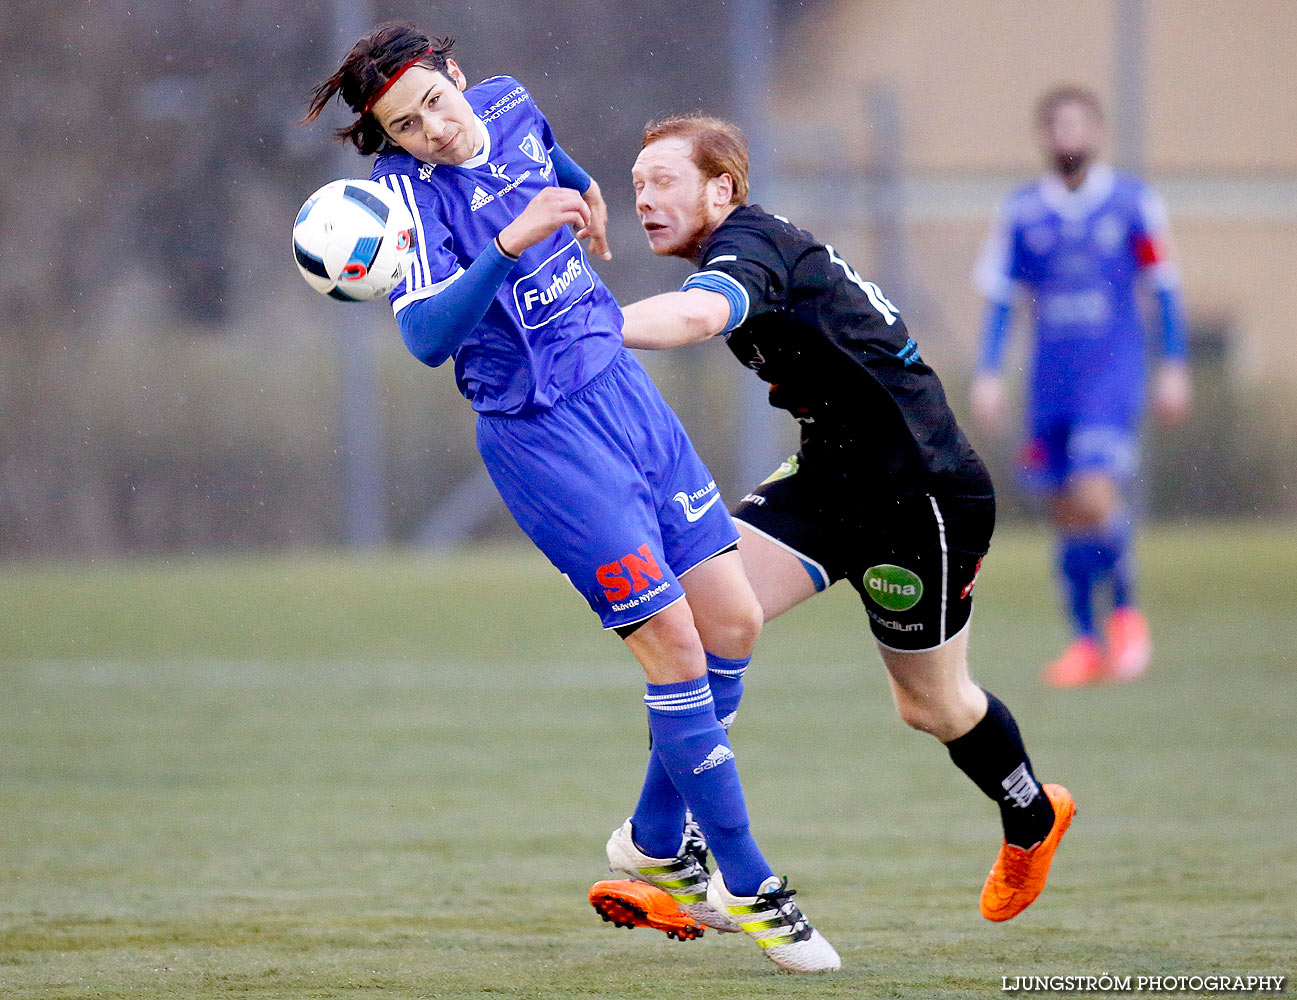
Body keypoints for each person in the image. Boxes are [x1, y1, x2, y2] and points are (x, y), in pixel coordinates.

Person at [303, 24, 839, 973]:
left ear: (457, 76)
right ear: (387, 136)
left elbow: (556, 161)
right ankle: (749, 885)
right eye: (405, 123)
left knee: (733, 623)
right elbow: (427, 337)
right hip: (540, 437)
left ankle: (648, 841)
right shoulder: (396, 201)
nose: (432, 126)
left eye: (434, 100)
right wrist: (509, 244)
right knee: (672, 645)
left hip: (623, 394)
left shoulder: (507, 103)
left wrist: (588, 196)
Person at [589, 113, 1074, 929]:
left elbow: (696, 318)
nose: (644, 199)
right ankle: (668, 851)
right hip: (829, 479)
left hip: (922, 498)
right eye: (636, 185)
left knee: (932, 707)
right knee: (700, 613)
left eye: (663, 181)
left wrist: (576, 323)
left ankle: (1031, 812)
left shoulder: (749, 247)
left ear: (722, 187)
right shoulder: (737, 248)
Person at [971, 85, 1191, 688]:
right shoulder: (1023, 213)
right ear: (1045, 137)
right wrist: (989, 373)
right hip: (1050, 383)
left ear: (1096, 134)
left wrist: (1174, 365)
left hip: (1112, 376)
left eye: (1079, 125)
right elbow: (1001, 301)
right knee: (1066, 511)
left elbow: (1164, 288)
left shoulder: (1131, 204)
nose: (1068, 136)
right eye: (1057, 126)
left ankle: (1125, 615)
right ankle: (1085, 643)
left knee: (1095, 494)